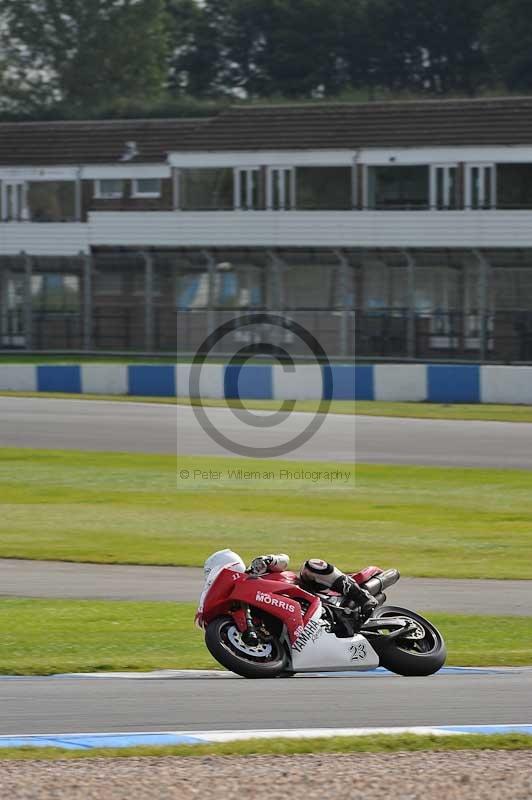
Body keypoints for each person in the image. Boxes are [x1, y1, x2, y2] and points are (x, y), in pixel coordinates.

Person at [248, 553, 378, 617]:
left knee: (311, 565)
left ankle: (363, 598)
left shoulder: (254, 571)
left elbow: (284, 560)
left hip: (308, 591)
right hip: (297, 616)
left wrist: (270, 559)